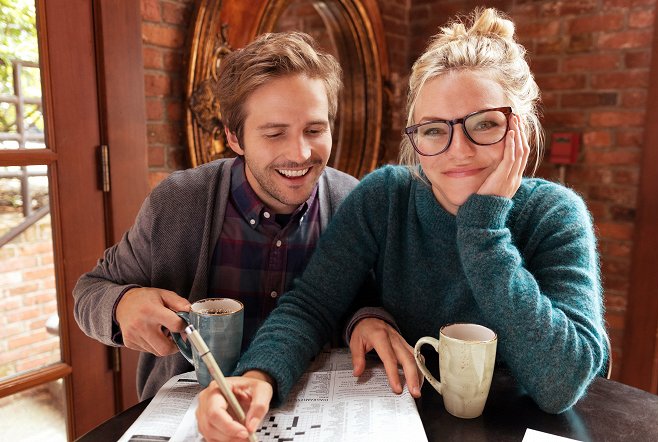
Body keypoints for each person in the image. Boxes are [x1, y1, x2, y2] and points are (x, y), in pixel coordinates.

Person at [195, 8, 611, 440]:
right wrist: (258, 377)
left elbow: (563, 383)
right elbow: (312, 305)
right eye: (434, 130)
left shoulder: (555, 213)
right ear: (415, 138)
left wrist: (483, 231)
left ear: (521, 129)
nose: (458, 151)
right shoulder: (385, 197)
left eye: (484, 124)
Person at [72, 31, 409, 401]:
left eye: (315, 130)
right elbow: (90, 290)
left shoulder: (352, 201)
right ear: (235, 138)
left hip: (312, 409)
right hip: (190, 411)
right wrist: (121, 304)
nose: (300, 153)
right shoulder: (177, 203)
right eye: (274, 134)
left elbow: (366, 297)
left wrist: (369, 318)